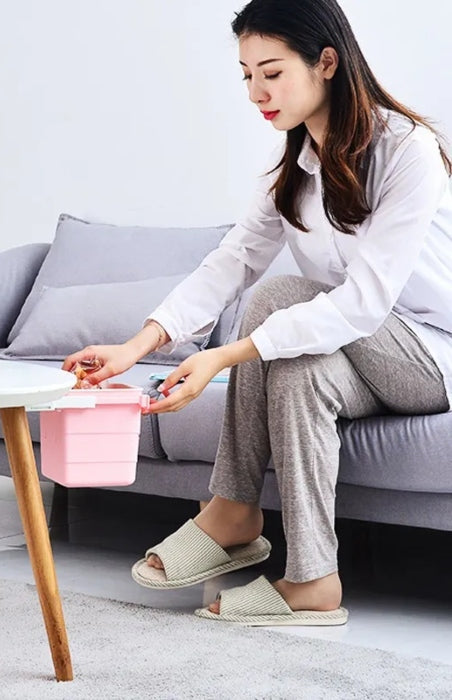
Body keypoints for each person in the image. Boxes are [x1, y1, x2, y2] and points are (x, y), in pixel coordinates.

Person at [63, 0, 452, 626]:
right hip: (355, 356)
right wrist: (136, 347)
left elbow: (363, 303)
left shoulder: (409, 150)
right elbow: (233, 260)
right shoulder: (294, 166)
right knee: (299, 369)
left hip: (429, 357)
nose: (255, 93)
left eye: (271, 73)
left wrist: (223, 356)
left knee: (278, 296)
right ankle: (314, 579)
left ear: (327, 63)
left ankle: (233, 510)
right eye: (247, 75)